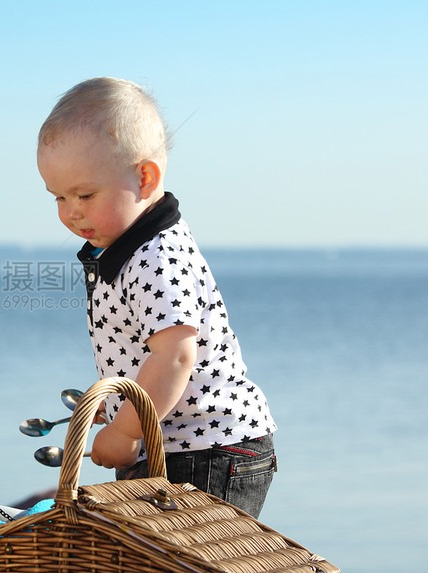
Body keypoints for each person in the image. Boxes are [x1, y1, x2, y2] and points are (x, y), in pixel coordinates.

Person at [36, 77, 276, 518]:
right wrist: (117, 412)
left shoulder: (157, 255)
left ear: (145, 178)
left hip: (209, 448)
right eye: (59, 197)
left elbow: (175, 357)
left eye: (85, 194)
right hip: (174, 444)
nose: (72, 211)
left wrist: (127, 431)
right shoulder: (125, 247)